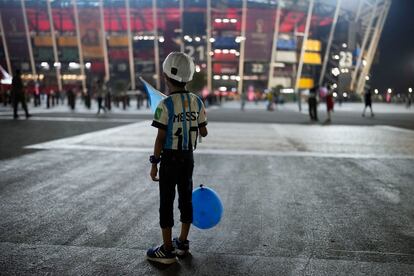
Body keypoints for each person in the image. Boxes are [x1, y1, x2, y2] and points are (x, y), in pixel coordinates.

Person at [147, 52, 208, 265]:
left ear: (165, 77)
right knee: (185, 198)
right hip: (187, 158)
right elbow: (204, 132)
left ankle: (167, 250)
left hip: (169, 159)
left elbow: (160, 138)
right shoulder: (197, 102)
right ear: (189, 78)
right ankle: (182, 242)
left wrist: (154, 163)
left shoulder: (164, 105)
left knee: (166, 200)